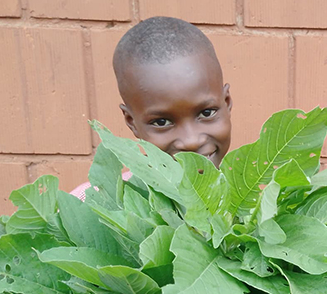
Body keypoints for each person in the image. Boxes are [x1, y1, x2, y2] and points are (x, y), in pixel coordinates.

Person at [72, 16, 233, 199]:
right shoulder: (91, 206)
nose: (191, 141)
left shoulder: (257, 210)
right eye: (162, 122)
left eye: (206, 113)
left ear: (226, 103)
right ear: (131, 122)